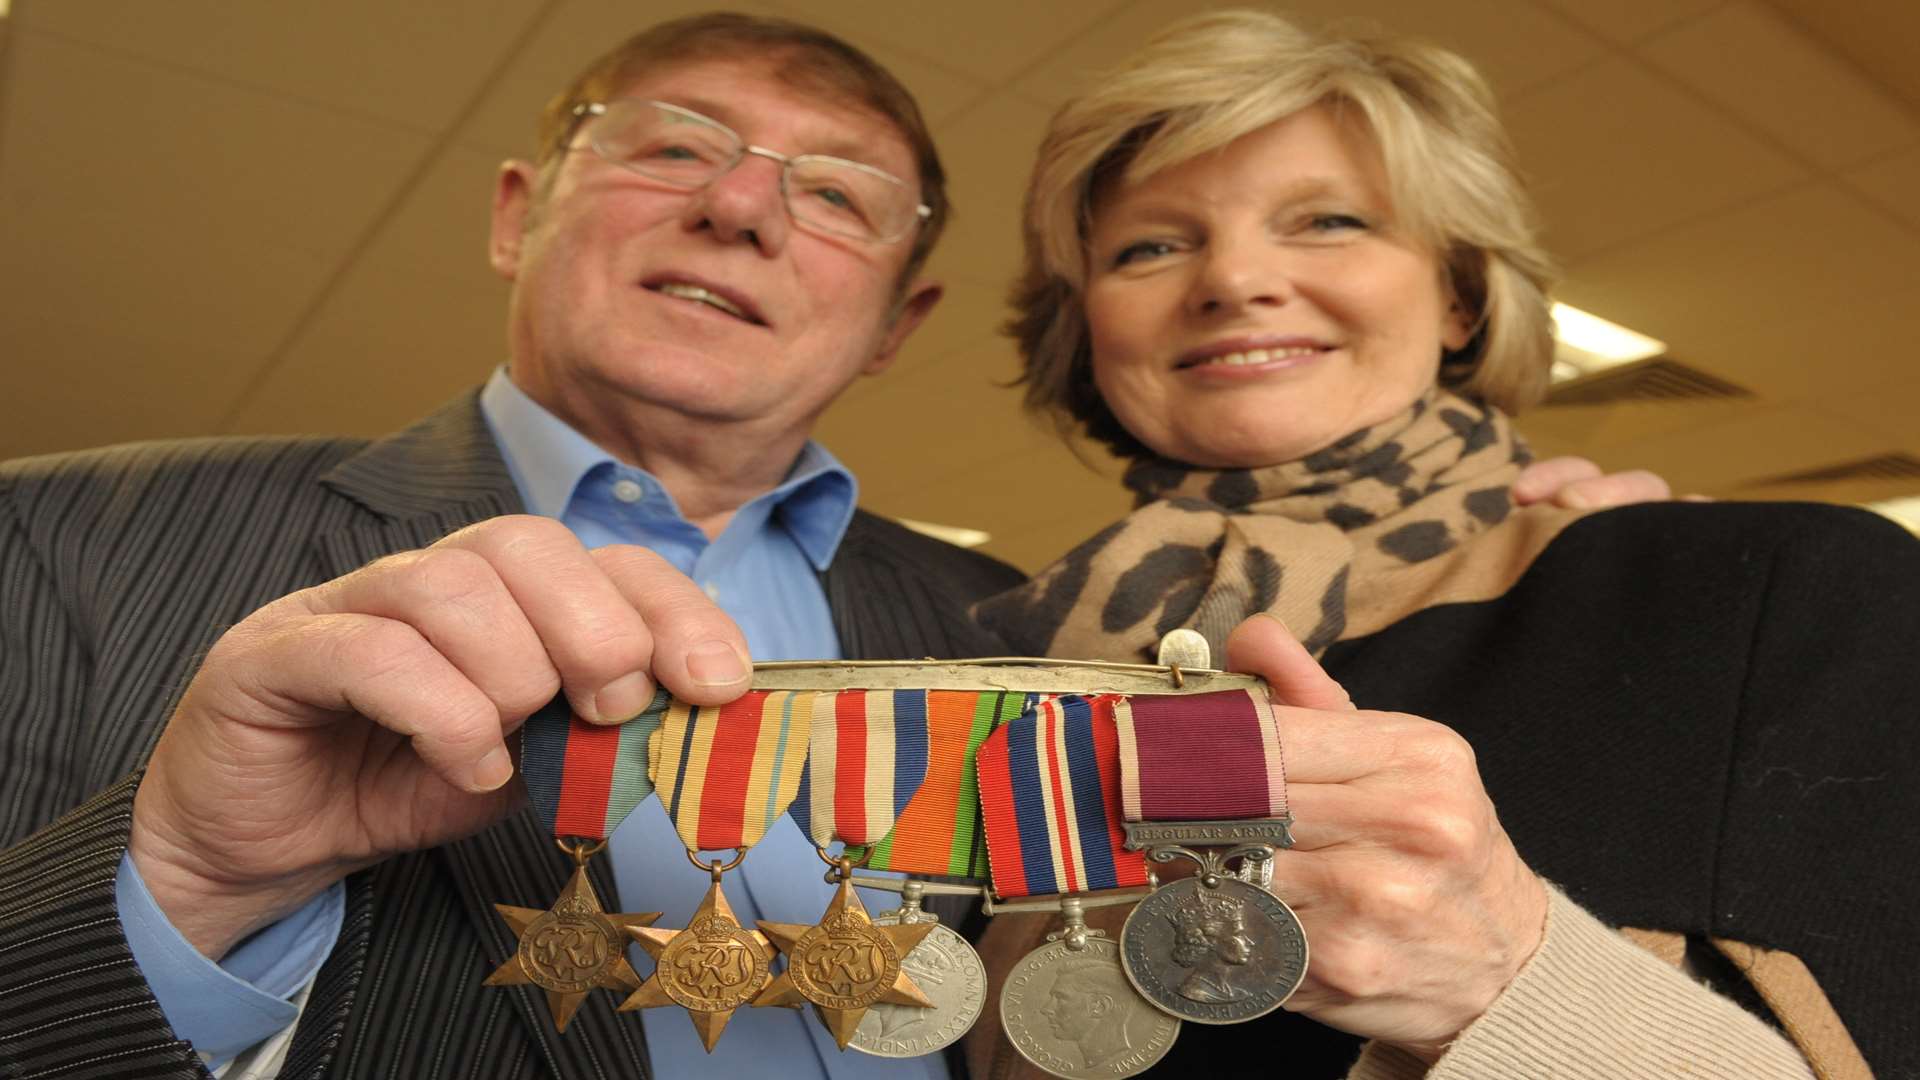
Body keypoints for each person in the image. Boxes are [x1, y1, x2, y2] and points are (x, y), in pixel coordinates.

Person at [0, 11, 1666, 1080]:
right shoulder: (60, 540)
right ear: (520, 210)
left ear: (895, 321)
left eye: (839, 195)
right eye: (672, 150)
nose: (741, 210)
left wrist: (1605, 576)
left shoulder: (1021, 629)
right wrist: (193, 885)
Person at [968, 9, 1920, 1080]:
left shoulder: (1778, 597)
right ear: (1090, 330)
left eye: (1327, 221)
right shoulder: (1003, 657)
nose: (1231, 280)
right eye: (1152, 245)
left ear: (1461, 298)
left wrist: (1507, 979)